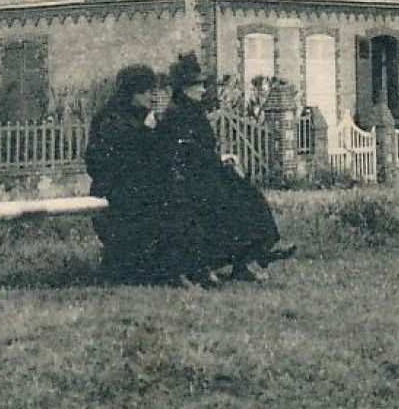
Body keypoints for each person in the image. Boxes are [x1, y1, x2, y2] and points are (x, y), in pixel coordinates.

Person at [159, 52, 293, 284]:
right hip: (185, 177)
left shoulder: (194, 112)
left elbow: (205, 147)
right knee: (222, 200)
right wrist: (214, 162)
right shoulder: (175, 114)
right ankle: (215, 264)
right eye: (197, 85)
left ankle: (254, 254)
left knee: (248, 192)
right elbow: (181, 152)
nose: (203, 90)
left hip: (206, 171)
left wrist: (224, 159)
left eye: (203, 84)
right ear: (183, 88)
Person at [85, 64, 187, 284]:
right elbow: (106, 163)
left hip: (140, 186)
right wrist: (146, 132)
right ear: (132, 92)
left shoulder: (144, 116)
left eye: (154, 90)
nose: (153, 95)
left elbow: (161, 155)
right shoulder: (110, 119)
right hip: (114, 189)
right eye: (147, 90)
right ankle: (167, 270)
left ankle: (182, 267)